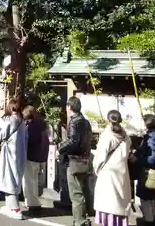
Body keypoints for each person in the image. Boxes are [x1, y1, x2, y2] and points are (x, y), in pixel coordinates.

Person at [93, 110, 132, 226]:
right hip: (122, 172)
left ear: (108, 120)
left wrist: (96, 169)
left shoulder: (107, 136)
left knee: (108, 204)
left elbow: (99, 157)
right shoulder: (126, 137)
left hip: (108, 173)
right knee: (119, 204)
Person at [58, 96, 93, 226]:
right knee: (83, 189)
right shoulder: (85, 121)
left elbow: (73, 140)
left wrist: (60, 148)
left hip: (75, 161)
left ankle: (80, 221)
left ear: (69, 107)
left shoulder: (74, 122)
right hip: (85, 159)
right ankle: (82, 217)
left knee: (76, 193)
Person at [0, 99, 28, 220]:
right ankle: (9, 205)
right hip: (20, 153)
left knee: (9, 179)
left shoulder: (7, 121)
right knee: (15, 178)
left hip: (8, 152)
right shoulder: (22, 122)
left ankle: (15, 209)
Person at [129, 114, 155, 226]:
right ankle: (151, 220)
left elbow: (152, 159)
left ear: (147, 123)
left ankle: (150, 222)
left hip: (148, 173)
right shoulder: (154, 135)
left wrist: (136, 159)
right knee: (149, 200)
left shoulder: (152, 137)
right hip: (149, 172)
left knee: (147, 200)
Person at [22, 105, 50, 212]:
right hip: (39, 156)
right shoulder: (42, 124)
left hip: (31, 155)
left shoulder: (33, 126)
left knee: (29, 180)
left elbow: (30, 140)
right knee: (34, 179)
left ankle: (32, 202)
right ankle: (32, 201)